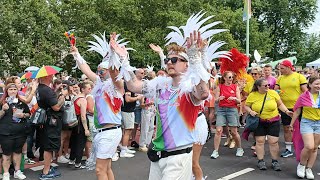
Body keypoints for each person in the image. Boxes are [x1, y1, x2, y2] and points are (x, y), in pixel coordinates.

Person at [71, 33, 124, 180]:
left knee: (99, 170)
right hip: (101, 131)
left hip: (110, 132)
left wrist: (113, 53)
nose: (99, 73)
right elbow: (86, 69)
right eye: (98, 70)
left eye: (102, 70)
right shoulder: (99, 84)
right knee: (106, 168)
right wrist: (77, 54)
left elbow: (115, 74)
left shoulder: (117, 86)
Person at [245, 78, 292, 171]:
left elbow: (280, 104)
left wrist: (286, 111)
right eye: (265, 85)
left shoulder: (273, 93)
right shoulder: (252, 95)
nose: (268, 87)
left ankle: (275, 161)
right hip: (259, 121)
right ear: (258, 87)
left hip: (273, 120)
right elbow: (246, 105)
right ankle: (260, 161)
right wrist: (250, 111)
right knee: (260, 141)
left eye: (268, 85)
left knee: (273, 141)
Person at [275, 60, 307, 158]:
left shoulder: (299, 77)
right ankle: (288, 149)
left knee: (302, 128)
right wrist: (278, 91)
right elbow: (275, 90)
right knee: (286, 127)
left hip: (298, 107)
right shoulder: (280, 78)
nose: (281, 70)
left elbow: (305, 91)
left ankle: (304, 148)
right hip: (285, 107)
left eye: (282, 68)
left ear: (289, 67)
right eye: (280, 68)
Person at [290, 76, 320, 179]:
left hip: (319, 123)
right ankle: (302, 165)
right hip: (307, 122)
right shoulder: (303, 96)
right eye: (316, 84)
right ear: (310, 85)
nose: (318, 86)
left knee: (315, 147)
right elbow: (297, 111)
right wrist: (291, 124)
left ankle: (309, 168)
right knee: (309, 146)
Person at [37, 74, 66, 180]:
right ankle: (46, 172)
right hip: (51, 121)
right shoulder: (46, 90)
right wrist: (62, 98)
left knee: (47, 145)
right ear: (46, 77)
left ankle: (47, 168)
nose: (52, 77)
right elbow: (56, 107)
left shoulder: (40, 88)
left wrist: (56, 91)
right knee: (49, 147)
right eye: (51, 75)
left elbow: (49, 101)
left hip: (46, 120)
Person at [0, 83, 31, 180]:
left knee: (18, 152)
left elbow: (28, 114)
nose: (13, 91)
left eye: (14, 89)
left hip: (20, 132)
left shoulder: (21, 102)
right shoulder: (2, 102)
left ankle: (17, 171)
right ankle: (6, 173)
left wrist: (24, 115)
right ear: (7, 91)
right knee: (6, 153)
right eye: (11, 89)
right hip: (6, 133)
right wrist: (3, 110)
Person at [211, 71, 243, 159]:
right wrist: (219, 99)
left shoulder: (235, 87)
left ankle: (240, 148)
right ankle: (215, 151)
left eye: (232, 77)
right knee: (218, 130)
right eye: (229, 77)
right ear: (224, 78)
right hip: (221, 110)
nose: (231, 79)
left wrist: (234, 98)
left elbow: (239, 101)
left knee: (234, 131)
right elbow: (216, 100)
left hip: (232, 110)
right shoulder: (220, 86)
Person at [69, 82, 91, 168]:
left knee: (74, 141)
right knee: (81, 143)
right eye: (88, 88)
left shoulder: (76, 97)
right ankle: (78, 162)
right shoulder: (83, 100)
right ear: (83, 89)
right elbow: (83, 115)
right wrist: (86, 129)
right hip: (80, 122)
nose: (90, 90)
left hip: (75, 121)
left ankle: (72, 159)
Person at [120, 83, 142, 158]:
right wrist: (137, 98)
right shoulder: (128, 87)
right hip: (127, 111)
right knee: (127, 130)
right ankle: (123, 150)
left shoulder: (128, 86)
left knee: (126, 131)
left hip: (127, 110)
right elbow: (127, 99)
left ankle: (124, 148)